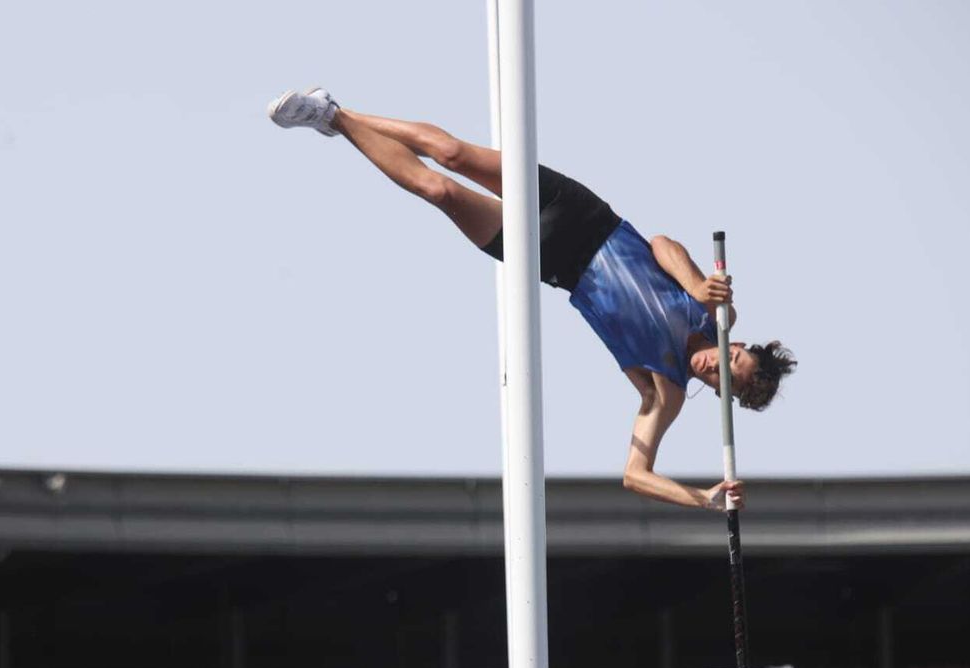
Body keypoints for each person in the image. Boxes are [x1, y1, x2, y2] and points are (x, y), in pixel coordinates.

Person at [268, 87, 796, 512]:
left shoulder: (666, 391)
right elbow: (662, 243)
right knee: (451, 154)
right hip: (585, 215)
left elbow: (635, 476)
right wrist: (698, 284)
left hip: (553, 263)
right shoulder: (714, 310)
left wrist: (701, 499)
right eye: (731, 359)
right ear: (739, 344)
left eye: (720, 379)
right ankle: (341, 111)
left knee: (440, 192)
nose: (715, 366)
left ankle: (334, 119)